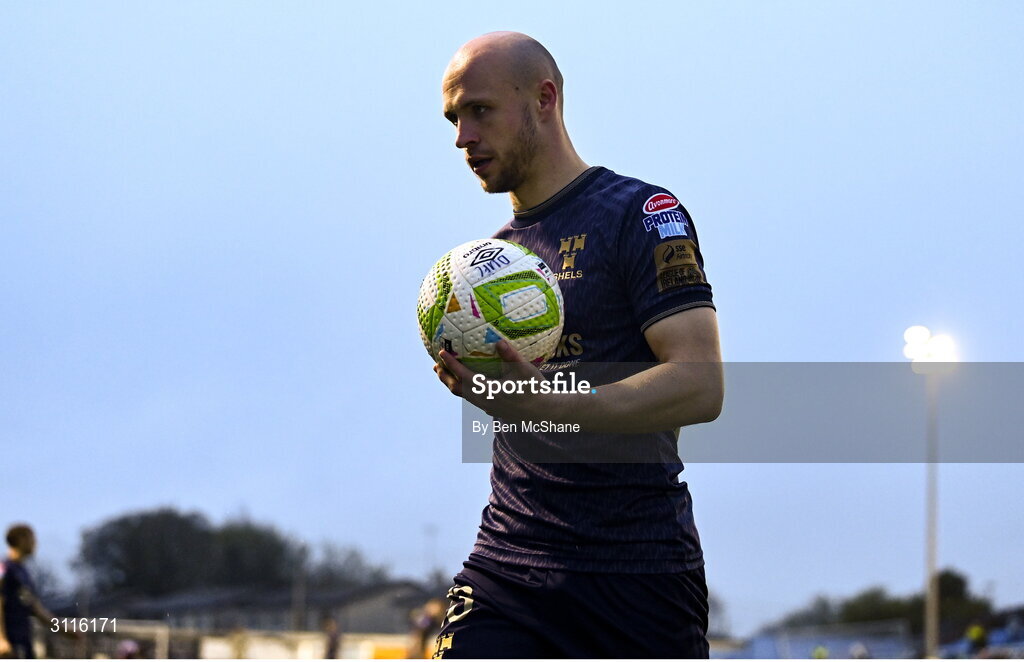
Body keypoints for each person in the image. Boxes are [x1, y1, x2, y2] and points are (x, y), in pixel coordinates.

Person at [432, 32, 723, 658]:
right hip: (508, 566)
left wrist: (546, 404)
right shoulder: (493, 262)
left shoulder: (643, 213)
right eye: (454, 119)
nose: (462, 136)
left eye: (479, 110)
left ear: (544, 99)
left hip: (637, 574)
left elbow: (700, 383)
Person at [0, 524, 60, 659]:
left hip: (23, 641)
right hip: (8, 645)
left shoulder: (24, 572)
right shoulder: (4, 568)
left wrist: (64, 629)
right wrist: (1, 639)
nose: (35, 543)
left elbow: (35, 608)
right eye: (32, 538)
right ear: (21, 540)